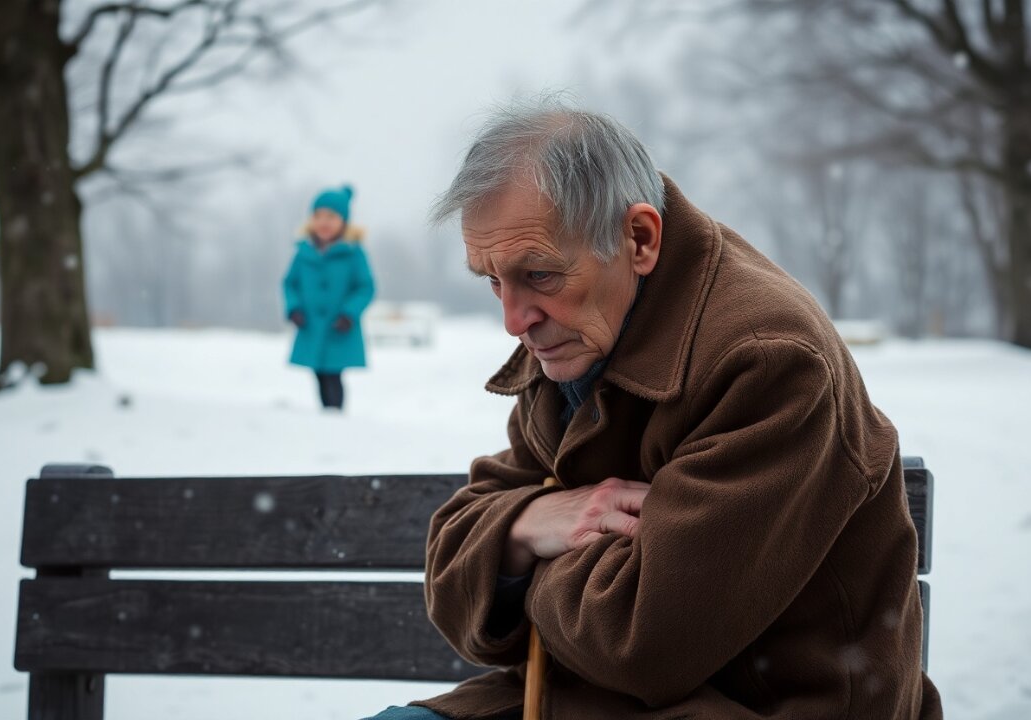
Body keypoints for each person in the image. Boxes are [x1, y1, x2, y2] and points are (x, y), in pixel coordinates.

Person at [366, 98, 942, 719]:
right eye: (492, 280)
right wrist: (530, 522)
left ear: (638, 239)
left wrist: (517, 557)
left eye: (539, 275)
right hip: (575, 699)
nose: (513, 320)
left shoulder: (769, 363)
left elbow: (638, 644)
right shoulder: (580, 328)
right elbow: (454, 573)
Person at [282, 184, 375, 410]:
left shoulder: (353, 252)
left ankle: (334, 414)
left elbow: (366, 287)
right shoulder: (304, 252)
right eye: (318, 216)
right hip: (312, 324)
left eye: (331, 217)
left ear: (343, 221)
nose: (324, 222)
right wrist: (294, 308)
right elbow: (289, 283)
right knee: (318, 372)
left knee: (334, 373)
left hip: (339, 325)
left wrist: (349, 313)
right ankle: (326, 414)